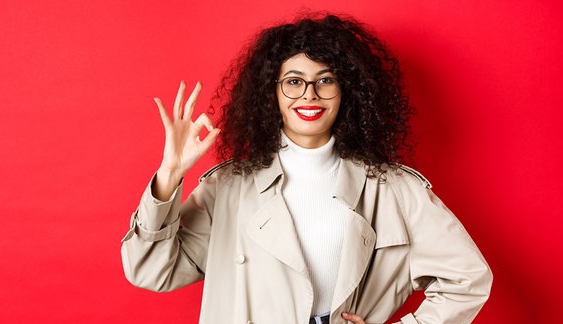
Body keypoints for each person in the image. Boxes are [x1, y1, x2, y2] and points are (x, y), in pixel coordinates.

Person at [121, 14, 492, 324]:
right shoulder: (229, 186)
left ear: (347, 91)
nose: (309, 95)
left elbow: (468, 278)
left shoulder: (392, 188)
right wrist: (169, 176)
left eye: (325, 80)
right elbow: (151, 270)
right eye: (294, 82)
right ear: (273, 93)